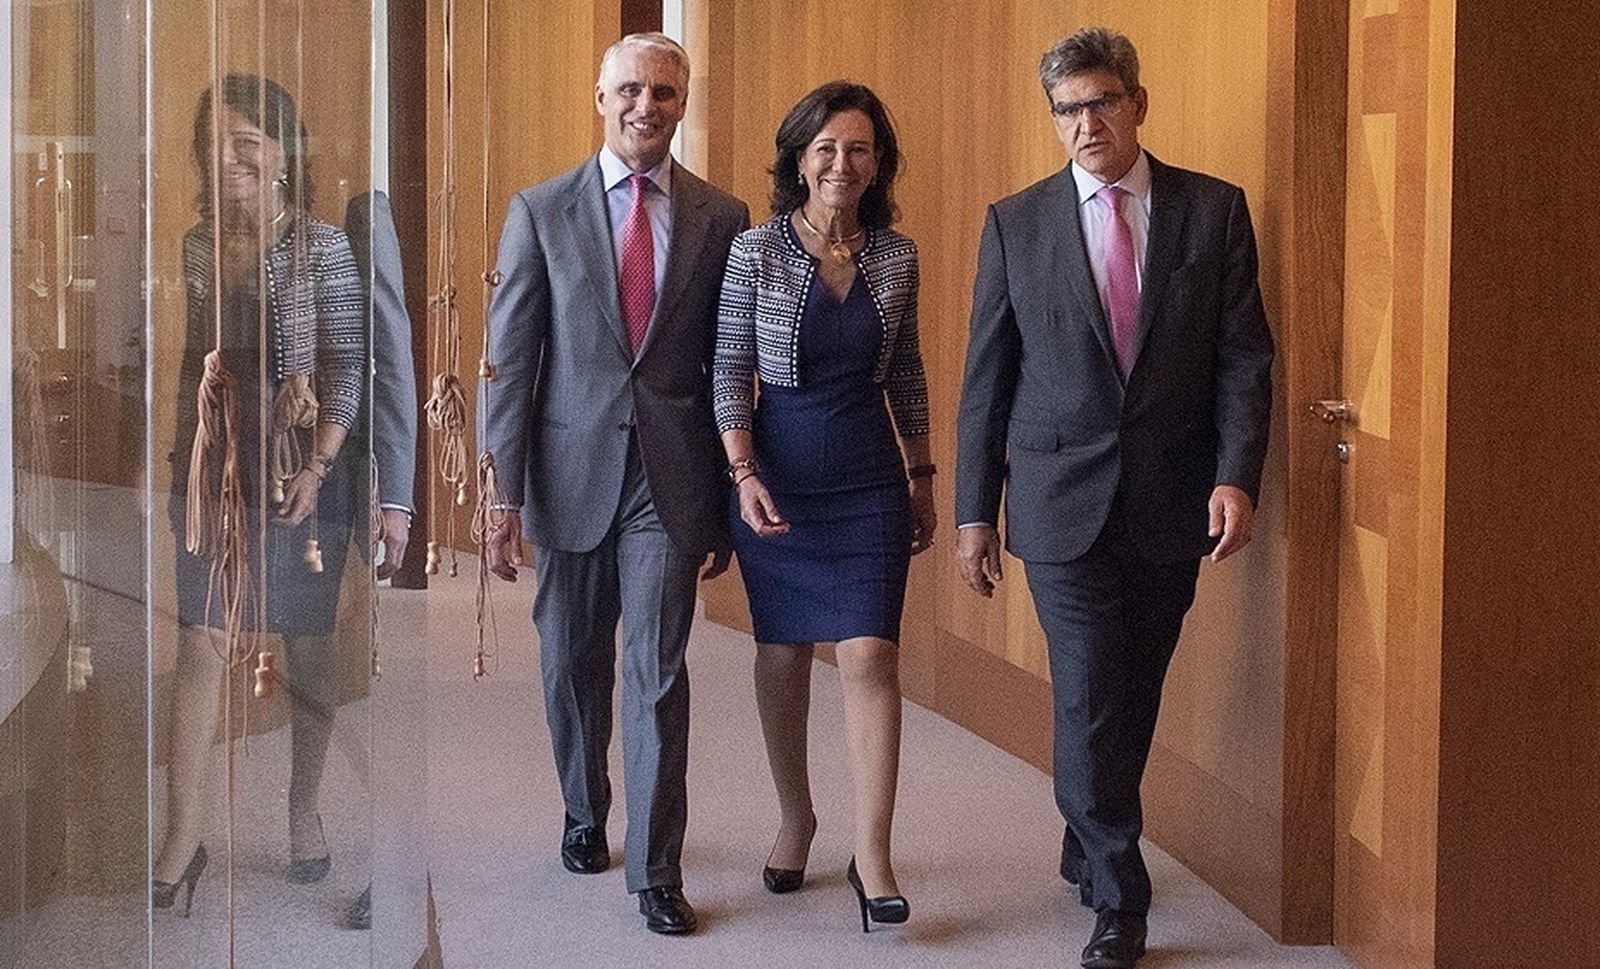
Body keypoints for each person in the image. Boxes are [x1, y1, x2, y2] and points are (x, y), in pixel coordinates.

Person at [953, 27, 1274, 969]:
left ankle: (1084, 830)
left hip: (1174, 497)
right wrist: (975, 510)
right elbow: (987, 380)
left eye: (1099, 102)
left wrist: (1236, 472)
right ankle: (1120, 897)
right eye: (1066, 110)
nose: (1085, 124)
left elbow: (1243, 359)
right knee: (1092, 686)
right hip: (1059, 498)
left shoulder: (1213, 212)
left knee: (1134, 687)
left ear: (1137, 103)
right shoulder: (1016, 223)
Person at [481, 33, 749, 935]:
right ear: (601, 99)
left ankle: (657, 868)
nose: (646, 106)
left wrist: (729, 486)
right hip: (566, 470)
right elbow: (511, 359)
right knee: (570, 658)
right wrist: (500, 491)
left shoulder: (722, 216)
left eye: (664, 92)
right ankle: (583, 807)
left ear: (683, 103)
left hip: (669, 481)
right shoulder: (540, 210)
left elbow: (728, 364)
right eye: (630, 90)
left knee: (657, 670)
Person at [713, 80, 934, 933]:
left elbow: (906, 370)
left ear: (878, 164)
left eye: (859, 149)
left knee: (870, 653)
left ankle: (873, 852)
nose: (843, 163)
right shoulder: (755, 251)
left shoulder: (897, 256)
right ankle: (795, 816)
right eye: (827, 149)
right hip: (778, 473)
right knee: (782, 653)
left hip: (868, 478)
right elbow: (730, 368)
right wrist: (742, 472)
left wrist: (922, 476)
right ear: (799, 161)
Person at [157, 74, 366, 912]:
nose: (229, 158)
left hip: (306, 472)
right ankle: (182, 835)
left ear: (284, 153)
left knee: (306, 645)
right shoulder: (198, 246)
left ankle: (303, 809)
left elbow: (347, 368)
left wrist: (318, 467)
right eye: (215, 143)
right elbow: (192, 365)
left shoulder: (324, 247)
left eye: (248, 142)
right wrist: (172, 463)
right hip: (215, 470)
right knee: (200, 641)